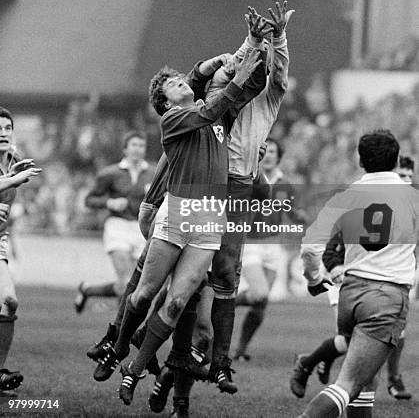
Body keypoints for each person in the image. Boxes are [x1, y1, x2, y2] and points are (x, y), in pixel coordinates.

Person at [96, 38, 267, 408]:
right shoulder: (173, 119)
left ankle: (134, 370)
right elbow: (214, 106)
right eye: (172, 84)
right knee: (143, 294)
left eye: (180, 79)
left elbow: (251, 87)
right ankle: (122, 343)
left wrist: (265, 48)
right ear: (166, 101)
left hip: (209, 220)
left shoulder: (216, 112)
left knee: (175, 305)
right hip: (176, 214)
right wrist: (237, 66)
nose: (179, 82)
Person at [297, 129, 419, 418]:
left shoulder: (346, 196)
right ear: (396, 159)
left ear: (361, 161)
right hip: (386, 297)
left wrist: (315, 279)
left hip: (351, 295)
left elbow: (310, 247)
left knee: (364, 383)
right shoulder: (412, 198)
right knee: (348, 384)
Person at [74, 131, 154, 313]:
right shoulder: (110, 173)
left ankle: (87, 290)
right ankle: (119, 333)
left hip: (142, 228)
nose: (137, 149)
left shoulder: (153, 173)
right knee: (126, 280)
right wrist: (110, 202)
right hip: (117, 226)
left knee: (136, 285)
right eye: (133, 145)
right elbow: (89, 200)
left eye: (141, 145)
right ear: (125, 149)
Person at [234, 138, 293, 361]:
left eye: (273, 151)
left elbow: (290, 211)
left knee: (261, 304)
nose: (268, 155)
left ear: (279, 156)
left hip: (273, 245)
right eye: (265, 151)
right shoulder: (250, 178)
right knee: (259, 293)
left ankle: (240, 350)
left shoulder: (285, 183)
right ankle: (224, 302)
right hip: (250, 243)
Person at [0, 107, 42, 394]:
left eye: (7, 128)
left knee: (9, 302)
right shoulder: (13, 171)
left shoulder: (11, 161)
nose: (3, 133)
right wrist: (14, 179)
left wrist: (11, 174)